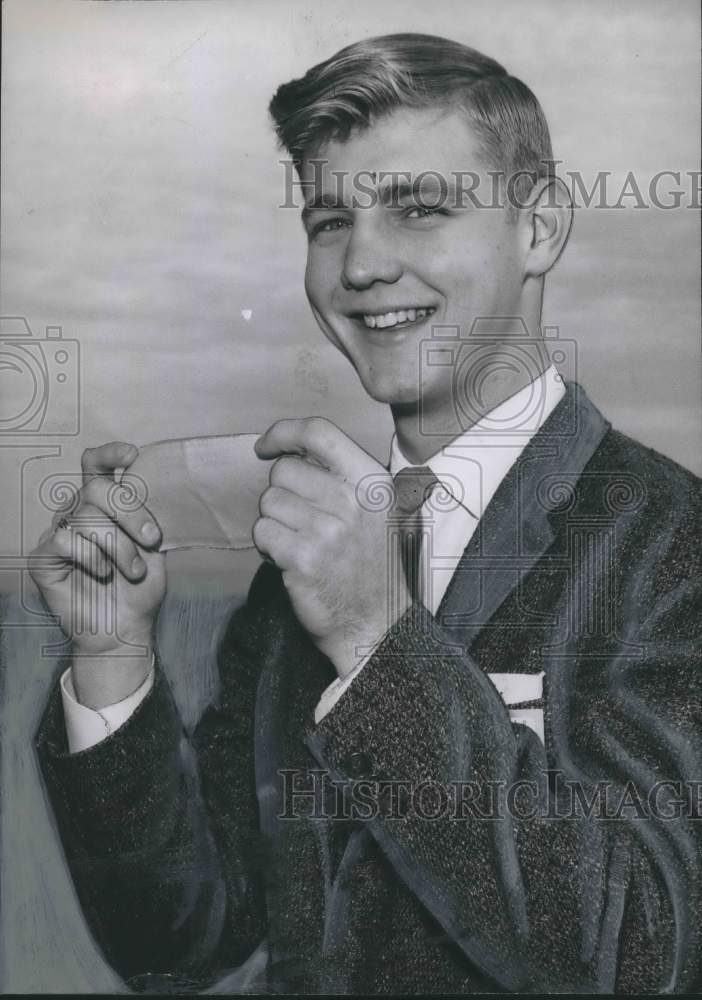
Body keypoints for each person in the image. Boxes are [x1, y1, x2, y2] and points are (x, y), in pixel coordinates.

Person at [30, 33, 701, 994]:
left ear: (541, 227)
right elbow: (180, 945)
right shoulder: (298, 573)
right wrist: (112, 660)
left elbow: (648, 953)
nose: (361, 267)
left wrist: (378, 642)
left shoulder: (671, 546)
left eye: (419, 208)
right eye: (328, 221)